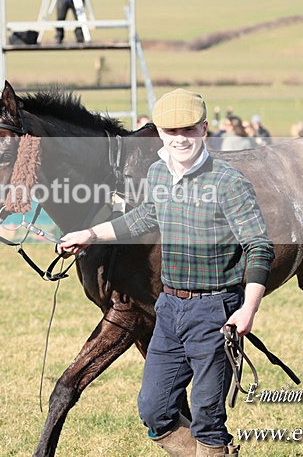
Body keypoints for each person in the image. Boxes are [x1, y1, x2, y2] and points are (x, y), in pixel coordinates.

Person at [59, 89, 274, 456]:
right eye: (171, 130)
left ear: (204, 129)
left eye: (188, 130)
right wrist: (90, 234)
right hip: (170, 309)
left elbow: (259, 246)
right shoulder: (158, 174)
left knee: (207, 416)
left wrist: (248, 308)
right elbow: (146, 216)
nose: (180, 138)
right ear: (159, 132)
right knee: (155, 411)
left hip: (214, 309)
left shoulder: (229, 182)